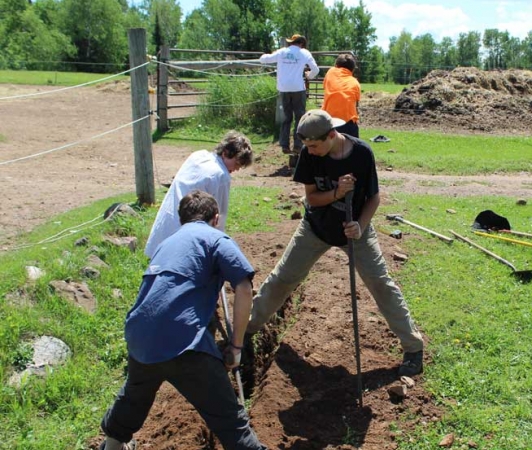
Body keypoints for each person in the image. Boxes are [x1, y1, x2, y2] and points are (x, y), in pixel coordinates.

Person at [244, 109, 424, 377]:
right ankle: (246, 330)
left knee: (380, 283)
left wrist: (360, 226)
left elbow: (373, 198)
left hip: (355, 232)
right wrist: (338, 193)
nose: (311, 151)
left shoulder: (362, 154)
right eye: (307, 146)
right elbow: (312, 199)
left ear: (332, 135)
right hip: (315, 228)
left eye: (315, 145)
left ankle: (413, 348)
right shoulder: (309, 154)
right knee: (282, 278)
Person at [99, 191, 267, 450]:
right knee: (230, 421)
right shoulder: (215, 238)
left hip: (140, 335)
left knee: (134, 396)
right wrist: (236, 346)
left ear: (182, 220)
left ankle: (112, 445)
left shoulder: (166, 243)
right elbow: (243, 288)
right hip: (184, 341)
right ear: (215, 218)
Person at [144, 131, 253, 258]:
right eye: (237, 163)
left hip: (165, 228)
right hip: (187, 238)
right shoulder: (221, 176)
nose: (237, 168)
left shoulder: (198, 155)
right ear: (226, 153)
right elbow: (219, 215)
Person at [259, 34, 320, 154]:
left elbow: (265, 59)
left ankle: (284, 145)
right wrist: (309, 75)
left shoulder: (282, 52)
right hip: (298, 88)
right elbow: (316, 69)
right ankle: (298, 144)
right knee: (299, 117)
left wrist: (262, 56)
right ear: (301, 43)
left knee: (286, 118)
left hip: (283, 88)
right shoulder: (305, 53)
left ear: (291, 42)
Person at [322, 53, 361, 138]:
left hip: (329, 121)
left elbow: (325, 87)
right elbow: (356, 102)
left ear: (336, 65)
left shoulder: (330, 72)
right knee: (354, 149)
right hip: (348, 124)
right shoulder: (355, 83)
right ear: (352, 69)